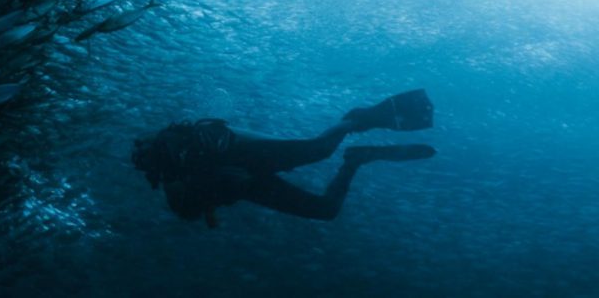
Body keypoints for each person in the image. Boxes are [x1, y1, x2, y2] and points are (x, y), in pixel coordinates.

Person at [131, 89, 436, 228]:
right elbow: (204, 197)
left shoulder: (178, 160)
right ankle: (356, 160)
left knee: (318, 149)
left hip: (241, 153)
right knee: (325, 210)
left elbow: (216, 134)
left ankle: (357, 119)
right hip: (248, 181)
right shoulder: (183, 190)